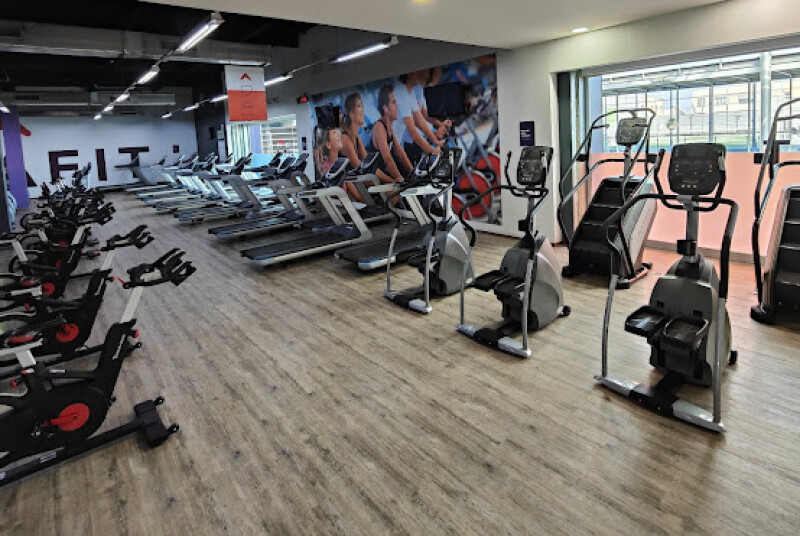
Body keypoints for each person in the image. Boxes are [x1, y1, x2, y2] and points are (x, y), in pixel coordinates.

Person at [394, 72, 442, 166]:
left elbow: (419, 120)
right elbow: (412, 130)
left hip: (400, 144)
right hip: (399, 146)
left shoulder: (410, 92)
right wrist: (432, 150)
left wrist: (436, 142)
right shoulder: (401, 92)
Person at [370, 84, 413, 184]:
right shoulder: (379, 127)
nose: (397, 106)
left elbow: (400, 153)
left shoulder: (389, 126)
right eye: (393, 102)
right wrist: (398, 177)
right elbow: (387, 158)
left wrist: (413, 172)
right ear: (385, 108)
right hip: (376, 176)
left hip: (384, 174)